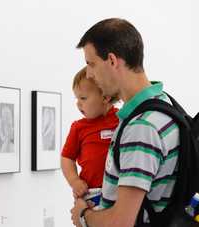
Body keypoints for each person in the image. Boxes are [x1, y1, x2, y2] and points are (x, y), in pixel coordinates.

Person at [71, 18, 180, 227]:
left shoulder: (142, 127)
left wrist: (83, 216)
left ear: (112, 60)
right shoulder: (162, 103)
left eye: (91, 64)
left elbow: (121, 222)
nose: (89, 75)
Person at [61, 66, 119, 203]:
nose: (78, 104)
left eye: (83, 98)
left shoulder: (123, 119)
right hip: (92, 193)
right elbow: (66, 158)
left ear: (105, 97)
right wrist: (74, 181)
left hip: (120, 193)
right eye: (76, 98)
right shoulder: (79, 128)